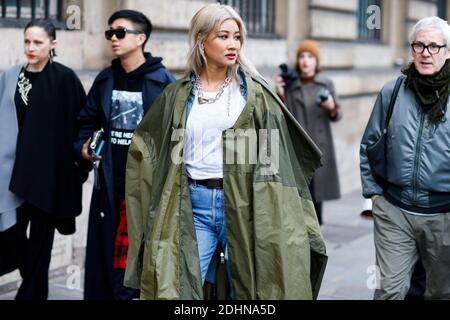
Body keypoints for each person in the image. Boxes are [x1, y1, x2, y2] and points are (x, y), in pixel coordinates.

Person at [124, 3, 327, 300]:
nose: (233, 44)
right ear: (201, 40)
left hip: (246, 204)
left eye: (237, 37)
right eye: (223, 36)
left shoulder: (255, 93)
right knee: (175, 289)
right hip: (193, 205)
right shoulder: (178, 95)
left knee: (253, 290)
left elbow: (274, 160)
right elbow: (149, 148)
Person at [74, 10, 175, 300]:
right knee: (105, 266)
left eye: (120, 33)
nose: (113, 39)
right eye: (110, 34)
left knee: (134, 272)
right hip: (109, 186)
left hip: (145, 191)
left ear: (141, 38)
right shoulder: (105, 80)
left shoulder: (163, 82)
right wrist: (83, 148)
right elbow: (86, 123)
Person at [360, 16, 450, 300]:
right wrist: (375, 195)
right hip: (395, 212)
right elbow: (369, 144)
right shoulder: (394, 90)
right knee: (389, 291)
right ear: (411, 49)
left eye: (434, 46)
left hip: (444, 216)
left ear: (448, 52)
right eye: (420, 45)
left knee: (440, 293)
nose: (426, 52)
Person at [0, 19, 86, 300]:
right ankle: (32, 275)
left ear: (53, 44)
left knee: (40, 246)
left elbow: (80, 125)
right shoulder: (10, 77)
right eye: (27, 41)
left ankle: (32, 293)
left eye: (37, 42)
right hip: (11, 175)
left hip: (49, 178)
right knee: (10, 234)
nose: (31, 47)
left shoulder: (65, 79)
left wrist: (79, 162)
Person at [274, 40, 342, 225]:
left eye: (310, 57)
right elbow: (283, 115)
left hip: (319, 146)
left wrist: (331, 107)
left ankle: (316, 240)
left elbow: (337, 115)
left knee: (316, 197)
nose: (305, 61)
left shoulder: (325, 83)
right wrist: (280, 92)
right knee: (297, 197)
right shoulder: (291, 84)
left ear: (316, 62)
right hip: (297, 147)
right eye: (302, 56)